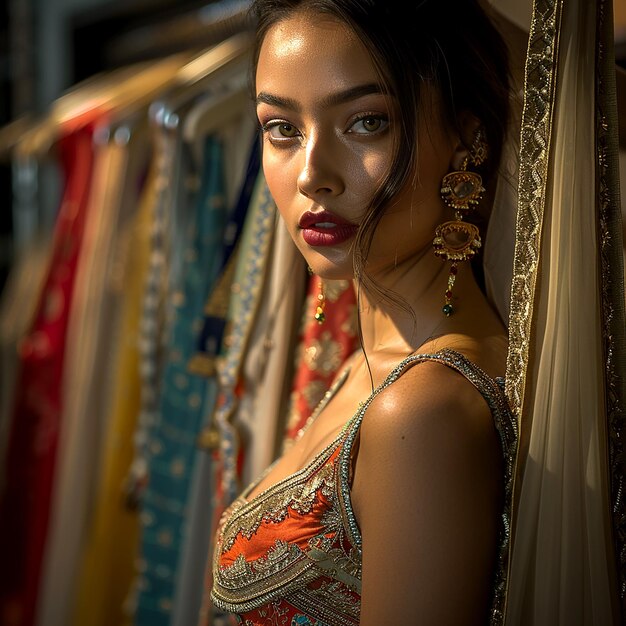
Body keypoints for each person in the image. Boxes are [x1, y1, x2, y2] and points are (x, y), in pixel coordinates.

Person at [210, 1, 518, 624]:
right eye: (282, 130)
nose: (312, 175)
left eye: (366, 123)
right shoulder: (371, 364)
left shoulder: (424, 408)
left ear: (467, 134)